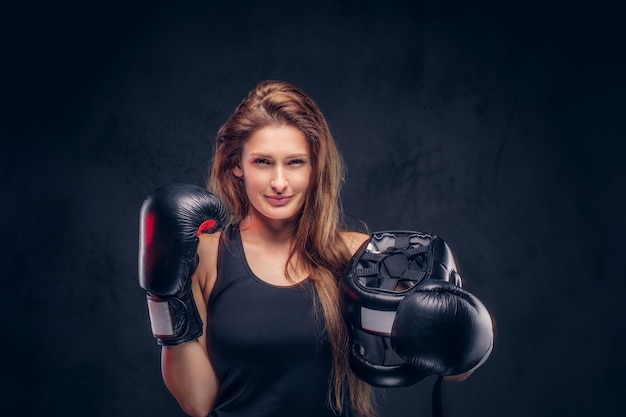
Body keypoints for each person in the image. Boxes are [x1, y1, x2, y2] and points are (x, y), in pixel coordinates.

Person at [138, 80, 492, 417]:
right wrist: (164, 296)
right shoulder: (206, 257)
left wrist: (460, 328)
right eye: (263, 162)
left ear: (315, 168)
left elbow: (453, 366)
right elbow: (198, 403)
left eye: (295, 162)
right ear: (236, 166)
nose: (279, 182)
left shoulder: (362, 259)